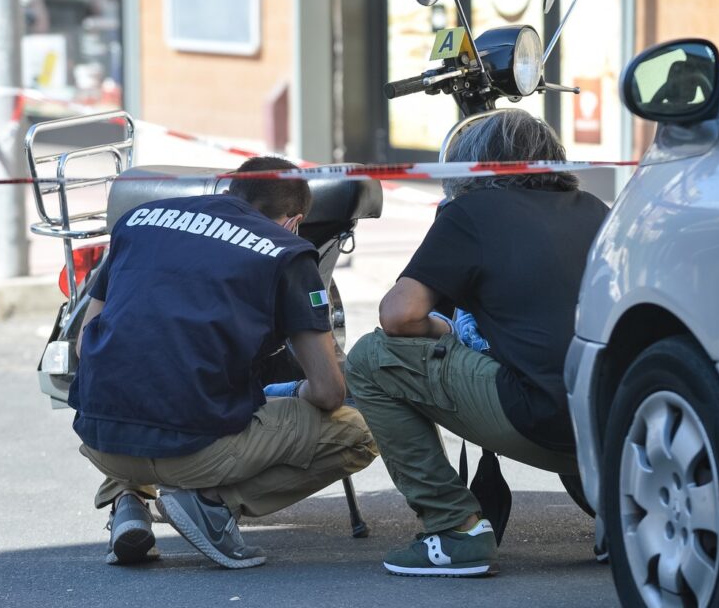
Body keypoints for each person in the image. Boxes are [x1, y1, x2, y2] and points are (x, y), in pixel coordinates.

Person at [70, 156, 378, 569]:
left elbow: (84, 344)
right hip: (192, 449)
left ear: (231, 190)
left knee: (146, 375)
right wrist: (290, 392)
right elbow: (327, 392)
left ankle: (127, 501)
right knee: (359, 432)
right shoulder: (286, 251)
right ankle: (212, 504)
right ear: (294, 221)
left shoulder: (138, 220)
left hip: (100, 438)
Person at [345, 109, 609, 577]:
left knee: (371, 357)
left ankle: (455, 529)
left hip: (542, 418)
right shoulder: (594, 209)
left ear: (472, 166)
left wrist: (445, 332)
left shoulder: (473, 212)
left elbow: (398, 315)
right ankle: (621, 515)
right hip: (615, 423)